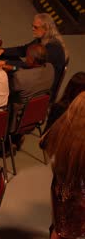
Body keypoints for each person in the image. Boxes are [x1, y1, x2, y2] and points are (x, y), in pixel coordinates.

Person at [43, 92, 85, 239]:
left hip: (62, 190)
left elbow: (44, 143)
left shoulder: (62, 130)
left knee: (58, 228)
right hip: (77, 199)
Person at [0, 13, 67, 102]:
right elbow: (24, 50)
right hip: (37, 72)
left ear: (46, 29)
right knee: (11, 62)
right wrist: (3, 51)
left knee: (11, 81)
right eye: (32, 26)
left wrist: (6, 63)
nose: (32, 29)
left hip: (43, 85)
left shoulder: (53, 49)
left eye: (36, 27)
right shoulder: (41, 39)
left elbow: (31, 65)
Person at [8, 43, 54, 147]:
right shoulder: (50, 68)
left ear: (32, 60)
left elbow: (9, 92)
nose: (24, 59)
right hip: (38, 114)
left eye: (27, 56)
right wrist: (14, 68)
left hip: (17, 118)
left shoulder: (19, 77)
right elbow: (30, 73)